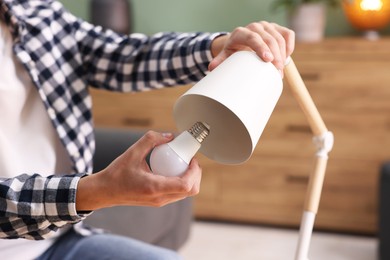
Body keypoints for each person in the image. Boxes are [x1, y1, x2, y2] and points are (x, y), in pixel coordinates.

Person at [0, 0, 295, 259]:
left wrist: (217, 47)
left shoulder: (31, 10)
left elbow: (121, 55)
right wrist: (97, 191)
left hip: (59, 239)